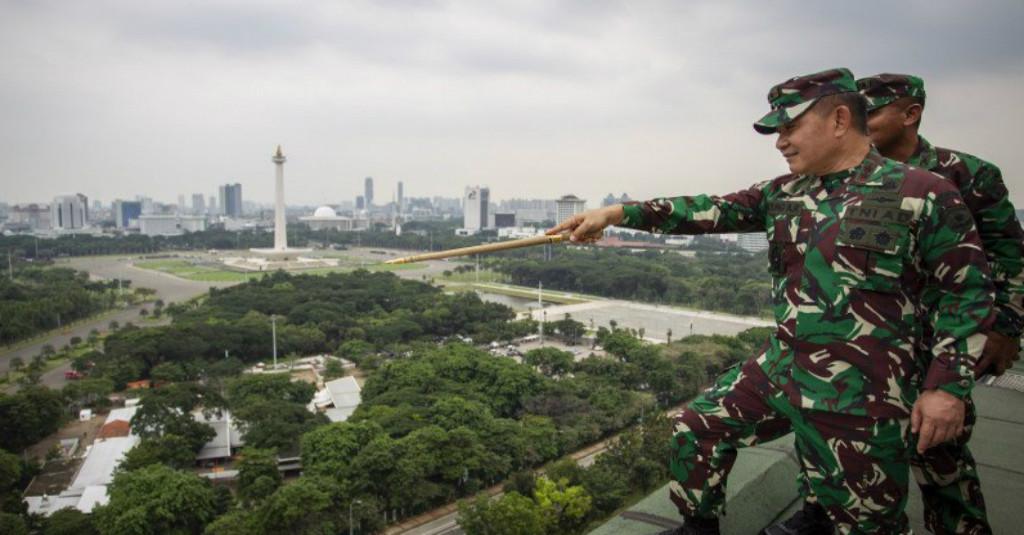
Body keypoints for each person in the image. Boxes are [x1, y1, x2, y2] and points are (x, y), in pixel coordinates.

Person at [548, 68, 995, 535]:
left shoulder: (923, 194)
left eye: (790, 127)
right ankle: (698, 528)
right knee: (697, 428)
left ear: (840, 120)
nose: (780, 142)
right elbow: (707, 210)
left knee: (866, 520)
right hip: (785, 366)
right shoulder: (784, 193)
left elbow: (967, 294)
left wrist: (946, 388)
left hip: (864, 389)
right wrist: (615, 213)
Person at [849, 73, 1021, 535]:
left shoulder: (967, 175)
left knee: (939, 451)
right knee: (850, 449)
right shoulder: (850, 175)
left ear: (911, 114)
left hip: (941, 339)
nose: (859, 123)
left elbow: (1010, 260)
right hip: (868, 339)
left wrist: (1005, 329)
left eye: (871, 112)